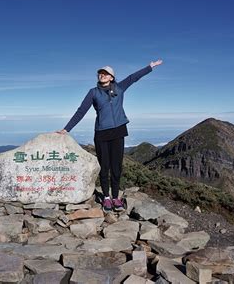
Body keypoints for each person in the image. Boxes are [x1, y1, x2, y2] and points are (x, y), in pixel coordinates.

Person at [56, 59, 163, 212]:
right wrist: (67, 129)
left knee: (116, 167)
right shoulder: (93, 92)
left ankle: (115, 197)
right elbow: (81, 111)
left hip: (118, 131)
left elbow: (133, 78)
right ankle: (106, 197)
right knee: (104, 166)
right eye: (100, 73)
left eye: (106, 74)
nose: (102, 75)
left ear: (111, 77)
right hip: (101, 133)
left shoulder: (119, 87)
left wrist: (150, 67)